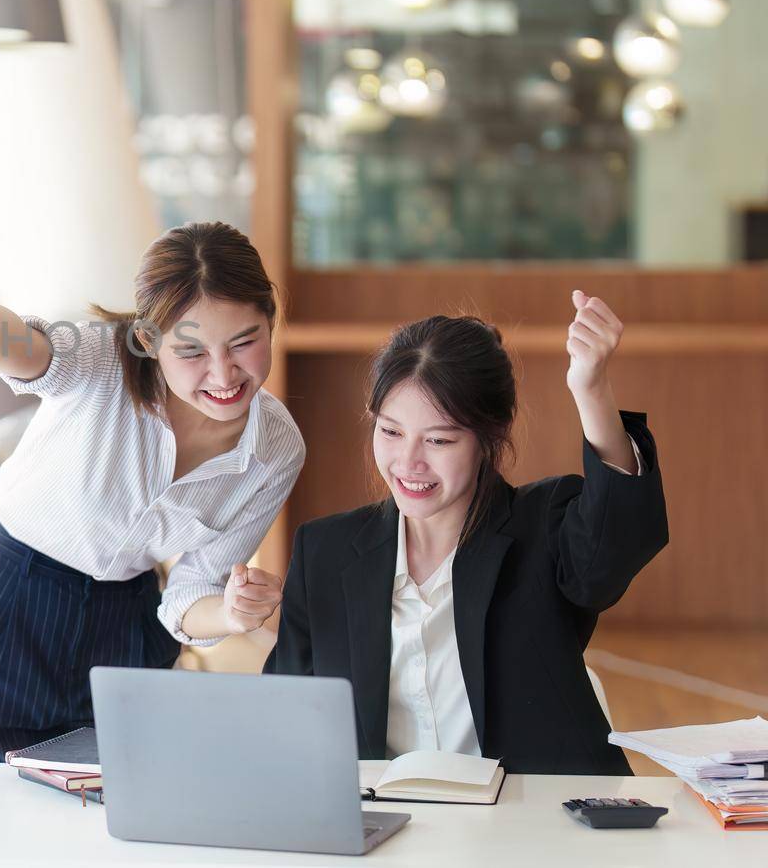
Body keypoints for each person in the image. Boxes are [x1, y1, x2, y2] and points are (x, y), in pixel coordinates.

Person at [0, 221, 305, 807]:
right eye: (191, 350)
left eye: (244, 342)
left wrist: (233, 611)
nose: (223, 375)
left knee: (118, 828)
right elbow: (16, 342)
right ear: (149, 339)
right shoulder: (101, 360)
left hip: (125, 621)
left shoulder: (275, 449)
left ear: (271, 322)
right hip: (6, 602)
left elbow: (192, 593)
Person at [264, 292, 666, 775]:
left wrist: (591, 389)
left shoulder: (543, 527)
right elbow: (283, 719)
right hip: (389, 829)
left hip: (531, 825)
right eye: (390, 432)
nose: (409, 462)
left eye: (438, 440)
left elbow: (611, 551)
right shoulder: (324, 552)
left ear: (489, 438)